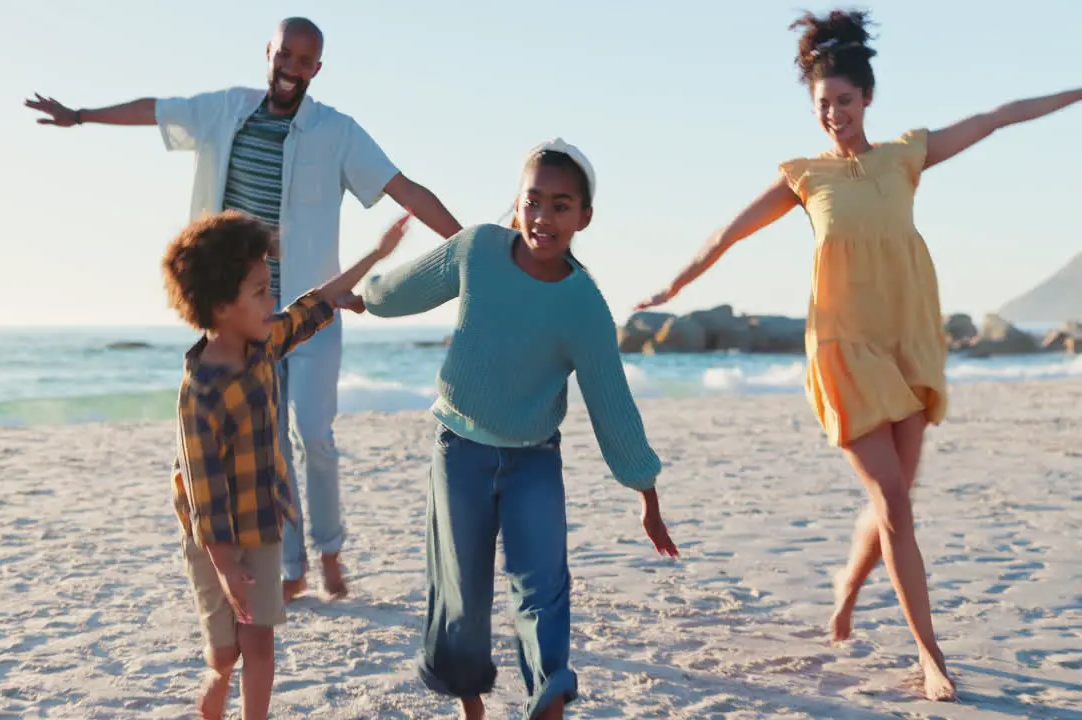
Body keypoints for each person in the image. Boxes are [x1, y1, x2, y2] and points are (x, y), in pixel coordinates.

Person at [635, 9, 1081, 703]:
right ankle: (930, 655)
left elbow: (999, 116)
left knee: (892, 496)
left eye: (845, 102)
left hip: (909, 342)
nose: (835, 116)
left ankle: (846, 590)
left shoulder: (906, 155)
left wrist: (1077, 93)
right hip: (844, 350)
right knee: (895, 498)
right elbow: (728, 232)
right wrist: (674, 285)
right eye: (823, 106)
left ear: (866, 98)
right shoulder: (804, 177)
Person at [25, 17, 462, 601]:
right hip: (243, 318)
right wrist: (82, 115)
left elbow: (404, 189)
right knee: (272, 445)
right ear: (270, 54)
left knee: (316, 435)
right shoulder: (226, 110)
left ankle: (331, 550)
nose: (292, 68)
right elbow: (158, 109)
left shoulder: (337, 132)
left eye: (305, 61)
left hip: (311, 313)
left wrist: (471, 247)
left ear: (316, 69)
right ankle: (295, 567)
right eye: (285, 55)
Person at [355, 139, 679, 720]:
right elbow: (403, 289)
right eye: (533, 201)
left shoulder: (584, 306)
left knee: (543, 586)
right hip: (459, 452)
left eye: (561, 205)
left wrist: (645, 493)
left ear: (584, 217)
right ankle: (470, 702)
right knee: (462, 591)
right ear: (516, 204)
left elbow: (613, 404)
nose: (543, 217)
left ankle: (549, 692)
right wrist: (359, 295)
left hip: (533, 460)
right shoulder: (477, 249)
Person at [162, 209, 411, 720]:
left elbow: (315, 303)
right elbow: (204, 492)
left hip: (262, 523)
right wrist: (227, 567)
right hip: (213, 541)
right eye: (258, 292)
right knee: (226, 653)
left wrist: (377, 255)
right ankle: (214, 685)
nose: (271, 300)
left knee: (260, 644)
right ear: (221, 305)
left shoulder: (262, 343)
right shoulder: (200, 392)